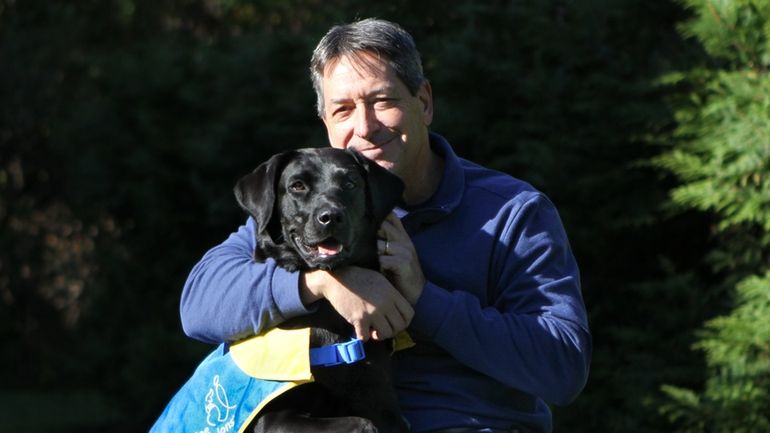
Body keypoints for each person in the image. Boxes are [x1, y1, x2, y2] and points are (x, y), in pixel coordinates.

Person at [180, 18, 591, 433]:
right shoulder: (307, 208)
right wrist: (324, 284)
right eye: (343, 109)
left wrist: (423, 299)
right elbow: (199, 303)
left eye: (382, 101)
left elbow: (562, 365)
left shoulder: (512, 213)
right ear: (326, 123)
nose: (365, 126)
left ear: (424, 102)